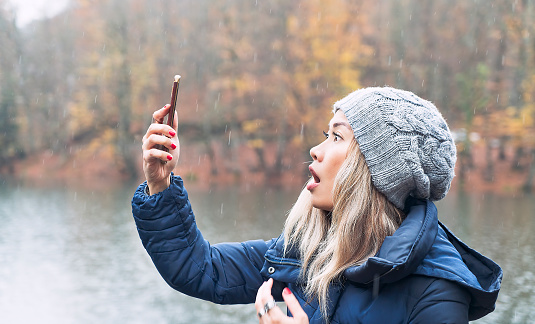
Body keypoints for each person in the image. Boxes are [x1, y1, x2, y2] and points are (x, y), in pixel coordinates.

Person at [132, 87, 502, 323]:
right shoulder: (306, 254)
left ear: (376, 169)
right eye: (325, 134)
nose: (316, 148)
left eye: (337, 136)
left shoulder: (437, 294)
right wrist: (159, 184)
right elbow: (201, 269)